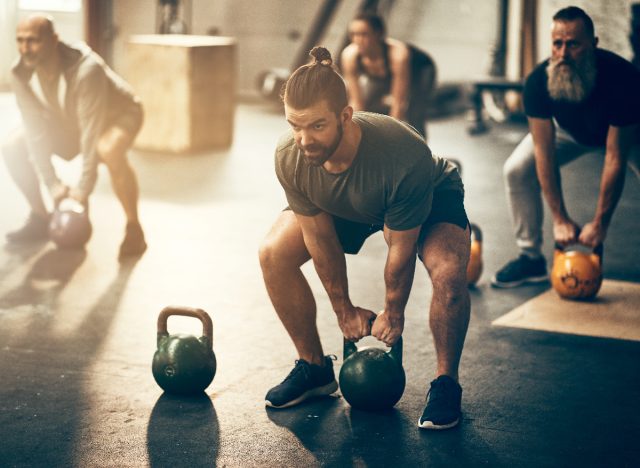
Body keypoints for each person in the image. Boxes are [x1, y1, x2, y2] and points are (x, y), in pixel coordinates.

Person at [259, 46, 470, 430]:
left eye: (317, 126)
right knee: (273, 253)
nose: (303, 139)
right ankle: (314, 369)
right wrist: (344, 312)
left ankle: (445, 383)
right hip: (346, 204)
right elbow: (319, 240)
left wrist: (393, 312)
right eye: (295, 125)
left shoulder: (403, 155)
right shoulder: (292, 156)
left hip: (429, 193)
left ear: (345, 116)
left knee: (450, 273)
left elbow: (400, 250)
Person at [492, 6, 640, 288]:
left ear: (593, 45)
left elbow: (614, 157)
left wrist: (600, 224)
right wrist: (559, 219)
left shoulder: (624, 79)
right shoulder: (538, 82)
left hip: (628, 136)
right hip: (569, 132)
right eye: (557, 44)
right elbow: (543, 154)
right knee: (517, 169)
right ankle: (530, 258)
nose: (563, 54)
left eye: (573, 45)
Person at [2, 14, 147, 258]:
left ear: (54, 40)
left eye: (33, 41)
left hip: (119, 114)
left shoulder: (86, 70)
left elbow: (90, 133)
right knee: (12, 145)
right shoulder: (19, 73)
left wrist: (82, 191)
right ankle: (40, 218)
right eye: (20, 40)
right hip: (67, 119)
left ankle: (134, 229)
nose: (25, 48)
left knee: (108, 149)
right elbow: (35, 130)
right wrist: (54, 186)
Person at [340, 12, 436, 139]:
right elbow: (357, 103)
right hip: (384, 76)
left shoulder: (398, 55)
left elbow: (399, 103)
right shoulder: (349, 56)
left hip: (420, 72)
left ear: (378, 34)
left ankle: (422, 150)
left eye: (364, 34)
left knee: (414, 113)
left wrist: (389, 140)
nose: (358, 40)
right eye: (354, 34)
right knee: (369, 106)